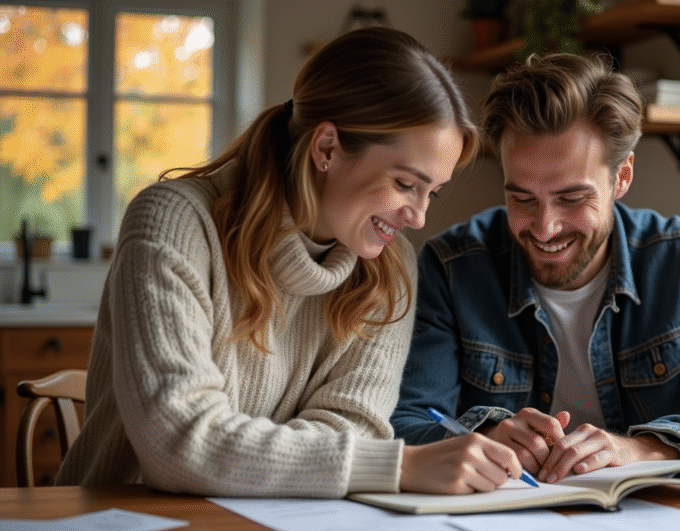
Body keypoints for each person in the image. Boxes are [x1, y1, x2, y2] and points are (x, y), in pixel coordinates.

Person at [56, 27, 529, 497]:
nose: (419, 215)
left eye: (432, 192)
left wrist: (243, 459)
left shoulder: (391, 267)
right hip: (124, 528)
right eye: (406, 184)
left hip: (279, 529)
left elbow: (356, 427)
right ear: (326, 148)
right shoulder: (173, 222)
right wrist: (394, 466)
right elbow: (179, 443)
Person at [391, 52, 680, 483]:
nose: (545, 228)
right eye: (522, 198)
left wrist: (644, 449)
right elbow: (401, 423)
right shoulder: (452, 267)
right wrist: (485, 436)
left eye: (572, 199)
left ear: (622, 177)